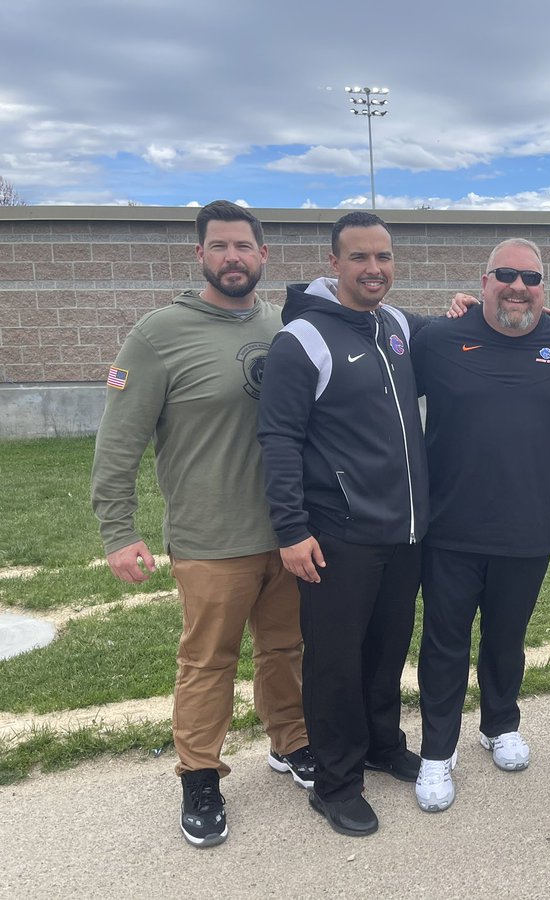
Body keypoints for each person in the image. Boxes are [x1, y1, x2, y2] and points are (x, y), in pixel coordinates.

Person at [91, 200, 312, 849]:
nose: (233, 258)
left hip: (287, 535)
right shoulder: (158, 334)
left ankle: (291, 742)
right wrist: (117, 531)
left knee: (285, 651)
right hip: (211, 541)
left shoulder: (286, 325)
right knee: (207, 662)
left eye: (244, 246)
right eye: (220, 247)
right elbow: (118, 442)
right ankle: (200, 774)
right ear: (200, 256)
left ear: (263, 256)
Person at [257, 211, 430, 837]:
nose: (374, 269)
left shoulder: (398, 327)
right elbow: (278, 439)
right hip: (338, 535)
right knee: (335, 663)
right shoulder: (302, 339)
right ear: (333, 263)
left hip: (404, 531)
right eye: (359, 258)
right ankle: (335, 782)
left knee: (386, 653)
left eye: (383, 257)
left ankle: (383, 745)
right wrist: (291, 529)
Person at [411, 239, 550, 812]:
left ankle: (500, 724)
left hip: (528, 526)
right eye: (506, 275)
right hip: (450, 528)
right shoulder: (438, 339)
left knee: (506, 638)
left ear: (545, 287)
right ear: (484, 281)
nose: (518, 286)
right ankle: (437, 753)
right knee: (445, 644)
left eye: (531, 277)